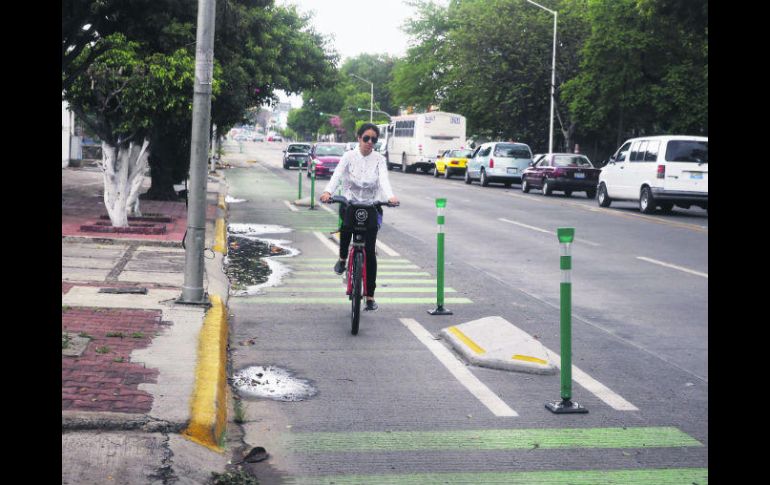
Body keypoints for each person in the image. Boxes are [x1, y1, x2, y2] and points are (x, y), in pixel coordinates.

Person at [320, 123, 399, 311]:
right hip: (350, 203)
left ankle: (370, 296)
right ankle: (342, 259)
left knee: (370, 252)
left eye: (374, 139)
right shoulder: (348, 156)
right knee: (346, 230)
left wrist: (390, 197)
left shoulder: (379, 159)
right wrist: (327, 192)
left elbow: (384, 180)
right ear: (359, 138)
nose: (370, 142)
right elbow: (337, 175)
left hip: (371, 205)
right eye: (366, 138)